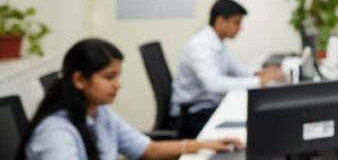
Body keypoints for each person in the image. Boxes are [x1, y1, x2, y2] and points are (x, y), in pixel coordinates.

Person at [18, 38, 242, 160]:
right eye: (109, 77)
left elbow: (148, 149)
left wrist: (204, 145)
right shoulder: (56, 132)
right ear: (79, 79)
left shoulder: (99, 113)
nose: (118, 84)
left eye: (118, 76)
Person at [171, 0, 284, 138]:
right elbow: (214, 85)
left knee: (258, 115)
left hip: (207, 107)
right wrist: (260, 81)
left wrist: (259, 73)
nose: (240, 28)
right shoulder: (200, 46)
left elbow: (234, 69)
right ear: (220, 21)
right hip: (193, 115)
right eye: (236, 23)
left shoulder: (216, 42)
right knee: (255, 124)